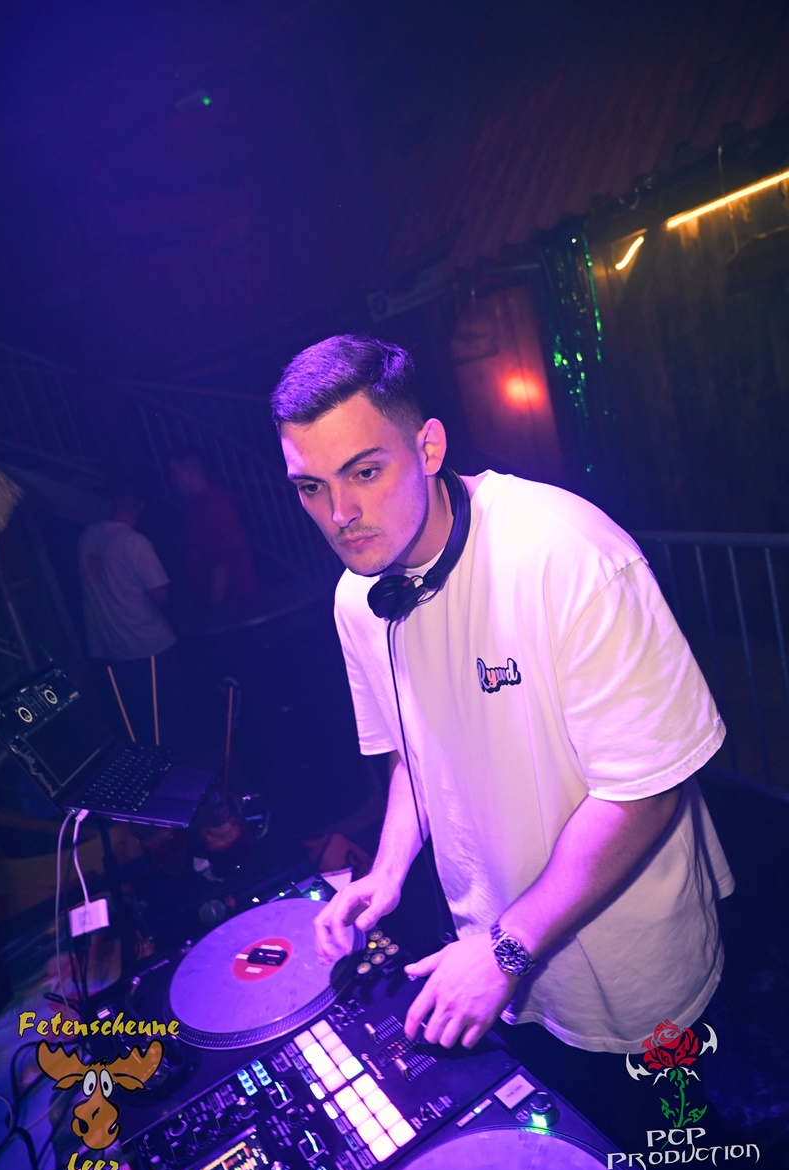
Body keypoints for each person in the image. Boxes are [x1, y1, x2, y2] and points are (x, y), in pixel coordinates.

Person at [270, 333, 734, 1058]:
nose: (339, 514)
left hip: (628, 970)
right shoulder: (357, 601)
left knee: (670, 1130)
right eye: (311, 488)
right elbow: (414, 755)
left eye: (364, 471)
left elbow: (646, 791)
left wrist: (504, 949)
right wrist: (388, 870)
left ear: (428, 447)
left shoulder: (567, 551)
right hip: (490, 966)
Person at [79, 481, 182, 747]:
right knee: (167, 720)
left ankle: (153, 769)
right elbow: (161, 595)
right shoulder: (134, 542)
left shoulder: (88, 536)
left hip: (111, 648)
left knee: (139, 722)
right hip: (149, 645)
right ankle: (178, 768)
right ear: (141, 506)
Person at [168, 450, 257, 615]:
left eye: (175, 473)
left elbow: (223, 555)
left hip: (232, 600)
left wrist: (216, 603)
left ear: (190, 470)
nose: (173, 480)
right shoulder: (200, 504)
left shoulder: (212, 503)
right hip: (225, 597)